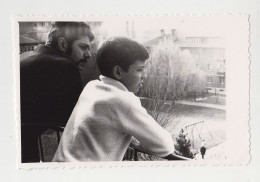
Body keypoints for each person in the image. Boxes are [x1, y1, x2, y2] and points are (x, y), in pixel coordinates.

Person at [52, 36, 175, 162]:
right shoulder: (124, 100)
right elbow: (165, 146)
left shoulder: (91, 86)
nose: (145, 75)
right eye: (140, 69)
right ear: (118, 72)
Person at [20, 22, 95, 163]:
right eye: (83, 47)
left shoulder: (24, 57)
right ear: (62, 44)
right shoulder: (65, 67)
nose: (89, 55)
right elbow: (78, 118)